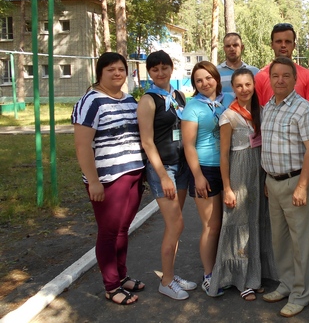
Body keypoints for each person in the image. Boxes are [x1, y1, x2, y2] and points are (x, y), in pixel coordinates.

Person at [72, 52, 145, 306]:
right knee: (108, 232)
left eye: (121, 69)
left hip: (133, 173)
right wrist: (93, 181)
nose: (117, 73)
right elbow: (82, 146)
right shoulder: (90, 102)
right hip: (107, 178)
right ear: (100, 73)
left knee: (123, 229)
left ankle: (122, 275)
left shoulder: (130, 100)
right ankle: (111, 286)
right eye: (110, 69)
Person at [261, 57, 309, 318]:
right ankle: (286, 284)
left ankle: (301, 294)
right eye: (276, 75)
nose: (280, 80)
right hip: (273, 182)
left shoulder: (304, 109)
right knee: (281, 240)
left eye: (286, 75)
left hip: (296, 182)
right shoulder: (268, 107)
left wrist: (302, 186)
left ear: (295, 79)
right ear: (270, 79)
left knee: (301, 243)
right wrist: (268, 179)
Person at [210, 68, 277, 300]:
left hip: (260, 170)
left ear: (254, 85)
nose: (244, 89)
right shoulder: (229, 116)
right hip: (239, 171)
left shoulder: (262, 111)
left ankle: (256, 275)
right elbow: (224, 155)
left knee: (258, 220)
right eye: (239, 85)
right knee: (238, 223)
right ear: (233, 88)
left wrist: (268, 178)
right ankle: (241, 279)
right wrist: (227, 188)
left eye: (248, 84)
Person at [137, 50, 196, 300]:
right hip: (164, 169)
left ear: (172, 68)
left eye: (164, 67)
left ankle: (170, 273)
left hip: (180, 165)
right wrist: (162, 175)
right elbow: (147, 142)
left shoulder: (178, 95)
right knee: (176, 224)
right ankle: (167, 282)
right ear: (149, 72)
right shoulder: (148, 100)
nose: (160, 73)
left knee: (175, 226)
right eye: (155, 69)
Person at [181, 61, 233, 296]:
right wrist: (198, 176)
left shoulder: (228, 100)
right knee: (211, 226)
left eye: (208, 78)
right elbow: (189, 146)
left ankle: (228, 269)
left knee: (228, 223)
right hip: (205, 170)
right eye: (199, 80)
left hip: (229, 168)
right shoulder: (192, 107)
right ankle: (209, 274)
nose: (204, 83)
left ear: (217, 78)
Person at [254, 23, 309, 106]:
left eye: (287, 42)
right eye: (279, 41)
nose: (283, 45)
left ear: (294, 45)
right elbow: (257, 110)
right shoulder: (260, 77)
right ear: (272, 45)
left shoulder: (308, 76)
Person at [217, 32, 259, 100]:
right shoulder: (216, 72)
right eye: (228, 46)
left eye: (235, 45)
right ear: (224, 49)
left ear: (242, 47)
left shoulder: (255, 72)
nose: (232, 49)